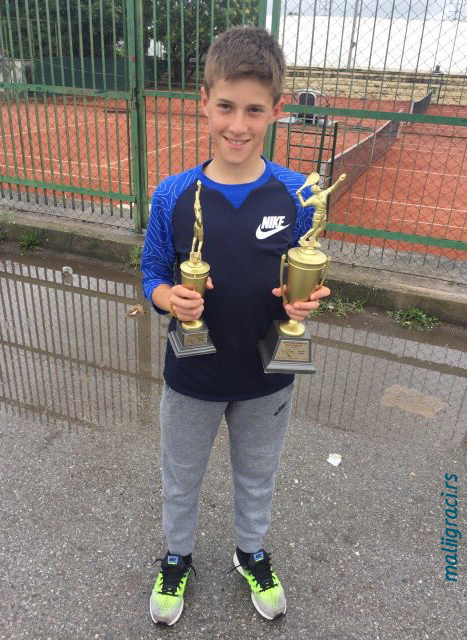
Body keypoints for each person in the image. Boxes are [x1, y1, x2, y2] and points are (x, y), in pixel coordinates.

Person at [141, 25, 331, 626]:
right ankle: (177, 558)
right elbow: (149, 271)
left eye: (254, 110)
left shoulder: (296, 195)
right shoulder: (173, 194)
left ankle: (250, 552)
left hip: (267, 377)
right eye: (225, 106)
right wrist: (168, 297)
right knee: (181, 478)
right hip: (191, 373)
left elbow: (303, 275)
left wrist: (302, 305)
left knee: (257, 477)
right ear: (204, 101)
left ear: (277, 110)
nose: (238, 125)